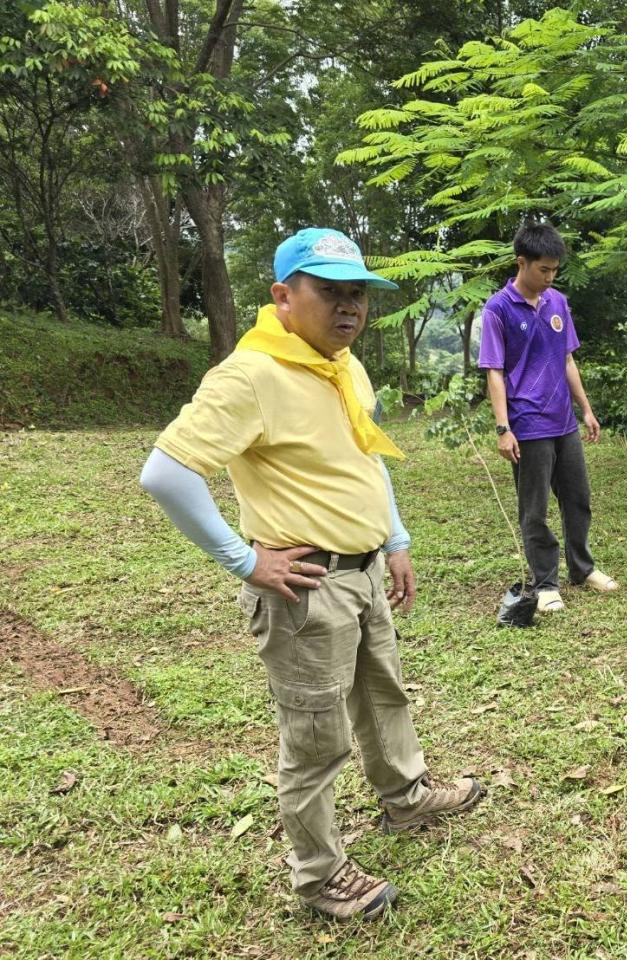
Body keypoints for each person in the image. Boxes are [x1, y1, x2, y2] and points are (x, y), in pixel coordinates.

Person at [140, 227, 485, 921]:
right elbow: (166, 473)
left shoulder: (344, 365)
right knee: (315, 735)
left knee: (383, 693)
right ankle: (320, 873)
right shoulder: (251, 375)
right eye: (329, 291)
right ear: (283, 295)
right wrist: (245, 560)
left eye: (357, 292)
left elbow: (366, 457)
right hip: (306, 587)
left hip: (361, 573)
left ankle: (406, 797)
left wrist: (395, 537)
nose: (349, 306)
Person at [478, 221, 617, 612]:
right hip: (527, 424)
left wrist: (585, 409)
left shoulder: (557, 302)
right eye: (543, 270)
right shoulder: (498, 309)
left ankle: (582, 568)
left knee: (578, 499)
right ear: (521, 262)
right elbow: (494, 371)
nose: (549, 277)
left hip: (563, 421)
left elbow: (567, 358)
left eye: (555, 270)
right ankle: (544, 583)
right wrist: (503, 429)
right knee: (534, 508)